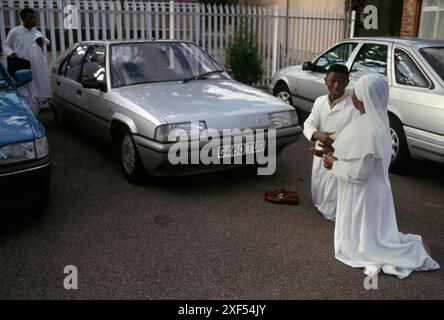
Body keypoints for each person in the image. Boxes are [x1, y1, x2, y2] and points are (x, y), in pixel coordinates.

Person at [323, 74, 440, 278]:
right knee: (375, 232)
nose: (352, 96)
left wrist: (334, 164)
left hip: (364, 195)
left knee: (368, 244)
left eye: (356, 93)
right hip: (374, 192)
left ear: (364, 97)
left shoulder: (368, 128)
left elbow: (359, 173)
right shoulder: (377, 121)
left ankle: (412, 251)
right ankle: (410, 247)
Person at [303, 64, 359, 221]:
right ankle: (321, 205)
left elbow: (355, 134)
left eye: (341, 82)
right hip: (319, 151)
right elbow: (309, 123)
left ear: (347, 82)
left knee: (335, 189)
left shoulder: (353, 106)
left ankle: (335, 214)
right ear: (325, 80)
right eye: (332, 81)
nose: (337, 85)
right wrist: (316, 134)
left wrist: (335, 148)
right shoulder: (320, 102)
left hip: (340, 154)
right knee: (319, 183)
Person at [3, 8, 46, 115]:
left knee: (34, 96)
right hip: (20, 68)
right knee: (23, 94)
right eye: (30, 18)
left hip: (34, 69)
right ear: (23, 19)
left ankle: (34, 120)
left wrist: (40, 44)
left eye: (34, 17)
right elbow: (6, 45)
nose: (33, 20)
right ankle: (25, 118)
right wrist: (10, 53)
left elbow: (42, 46)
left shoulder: (37, 33)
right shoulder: (15, 32)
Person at [29, 32, 52, 115]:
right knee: (35, 99)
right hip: (37, 78)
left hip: (40, 77)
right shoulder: (35, 48)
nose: (41, 42)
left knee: (37, 99)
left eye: (41, 40)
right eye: (39, 40)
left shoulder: (37, 48)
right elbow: (36, 67)